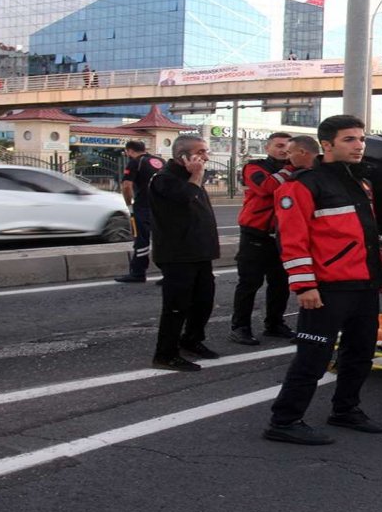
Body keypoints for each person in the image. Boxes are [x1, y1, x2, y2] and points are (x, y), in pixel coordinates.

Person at [263, 115, 382, 446]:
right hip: (327, 289)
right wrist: (304, 286)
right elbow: (291, 240)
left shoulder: (360, 182)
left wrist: (378, 276)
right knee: (312, 358)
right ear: (328, 145)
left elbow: (366, 236)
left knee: (360, 354)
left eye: (361, 139)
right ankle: (284, 420)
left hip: (363, 286)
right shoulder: (303, 185)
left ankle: (346, 410)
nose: (359, 145)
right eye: (350, 139)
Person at [148, 135, 221, 371]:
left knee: (203, 302)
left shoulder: (191, 179)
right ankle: (165, 354)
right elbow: (185, 198)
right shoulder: (164, 179)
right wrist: (196, 175)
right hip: (177, 254)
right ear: (183, 156)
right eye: (201, 152)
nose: (206, 157)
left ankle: (191, 340)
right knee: (177, 306)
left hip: (200, 252)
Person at [228, 132, 304, 346]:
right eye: (279, 145)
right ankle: (240, 327)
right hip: (255, 234)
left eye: (288, 147)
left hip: (281, 236)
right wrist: (290, 168)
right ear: (268, 147)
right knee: (249, 283)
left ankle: (275, 324)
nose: (284, 150)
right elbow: (267, 188)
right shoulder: (254, 167)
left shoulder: (299, 170)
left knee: (280, 284)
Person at [115, 141, 164, 283]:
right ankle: (169, 273)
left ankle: (138, 272)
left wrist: (129, 204)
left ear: (129, 151)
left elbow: (126, 186)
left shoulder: (135, 162)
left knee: (141, 239)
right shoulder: (160, 161)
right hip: (162, 207)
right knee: (163, 240)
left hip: (143, 206)